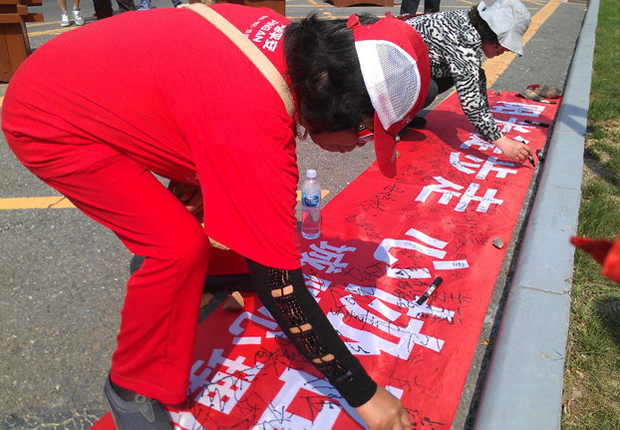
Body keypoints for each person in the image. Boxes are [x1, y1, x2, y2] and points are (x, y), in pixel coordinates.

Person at [2, 4, 430, 430]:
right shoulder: (255, 123)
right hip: (50, 118)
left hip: (80, 77)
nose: (357, 148)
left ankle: (213, 271)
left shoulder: (286, 45)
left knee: (229, 206)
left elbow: (188, 84)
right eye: (364, 133)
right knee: (176, 247)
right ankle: (130, 386)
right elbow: (280, 287)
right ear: (329, 90)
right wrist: (364, 394)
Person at [402, 0, 535, 163]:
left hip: (404, 66)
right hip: (384, 73)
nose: (506, 50)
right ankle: (385, 120)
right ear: (493, 34)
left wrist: (489, 128)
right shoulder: (465, 38)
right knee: (427, 89)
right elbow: (470, 100)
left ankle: (403, 115)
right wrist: (503, 142)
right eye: (504, 44)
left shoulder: (469, 23)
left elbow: (476, 77)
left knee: (467, 74)